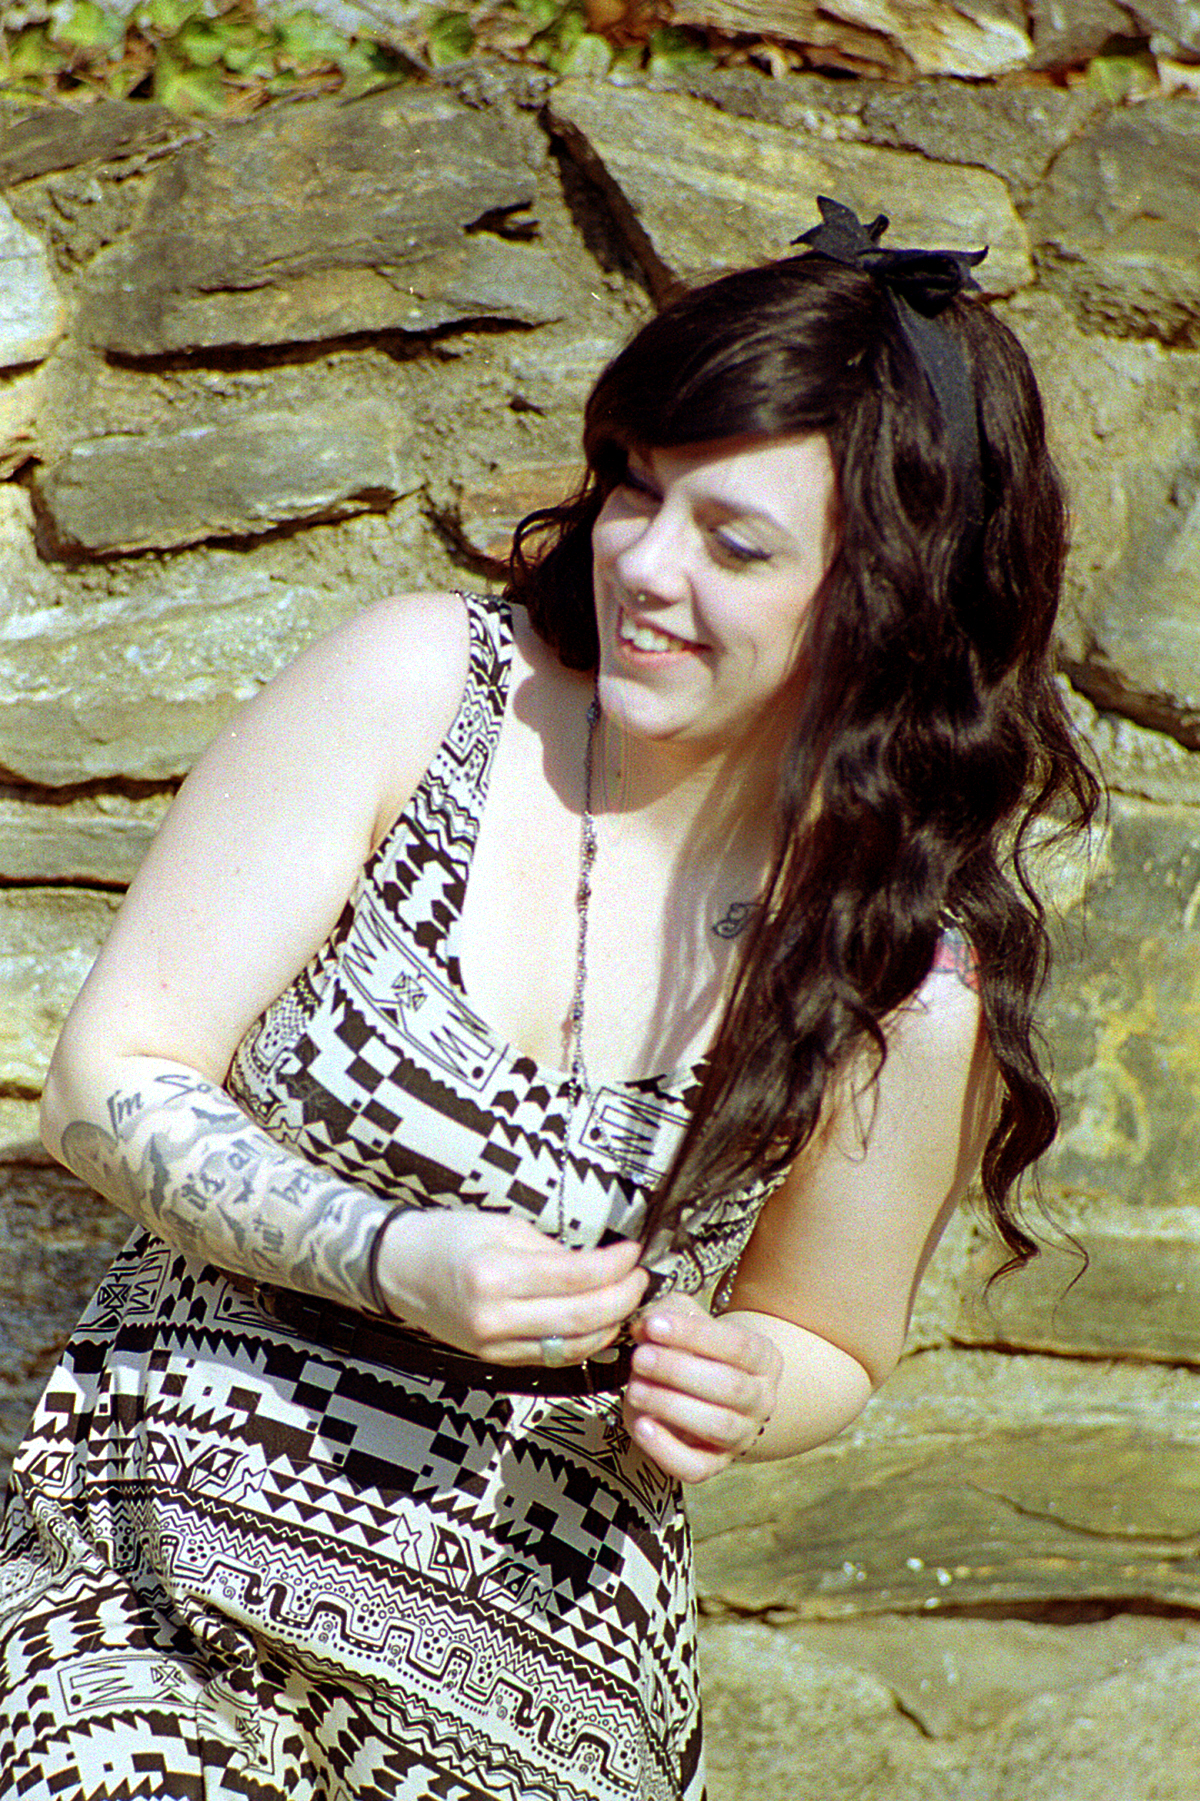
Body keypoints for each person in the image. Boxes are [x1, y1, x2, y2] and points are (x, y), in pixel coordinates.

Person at [0, 198, 1098, 1800]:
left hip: (539, 1672)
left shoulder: (903, 975)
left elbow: (827, 1337)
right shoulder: (423, 689)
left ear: (892, 599)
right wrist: (392, 1255)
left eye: (734, 543)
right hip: (155, 1576)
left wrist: (745, 1384)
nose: (642, 561)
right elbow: (107, 1076)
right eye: (638, 487)